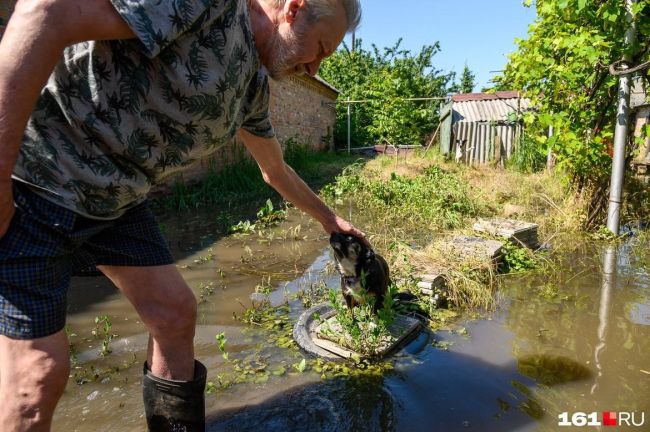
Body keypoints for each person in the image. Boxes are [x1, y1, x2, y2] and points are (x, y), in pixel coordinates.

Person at [0, 0, 362, 430]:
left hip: (117, 203)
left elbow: (275, 171)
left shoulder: (251, 87)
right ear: (294, 9)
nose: (315, 69)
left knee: (174, 314)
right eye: (319, 48)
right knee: (36, 375)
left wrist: (330, 221)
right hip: (37, 180)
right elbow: (45, 12)